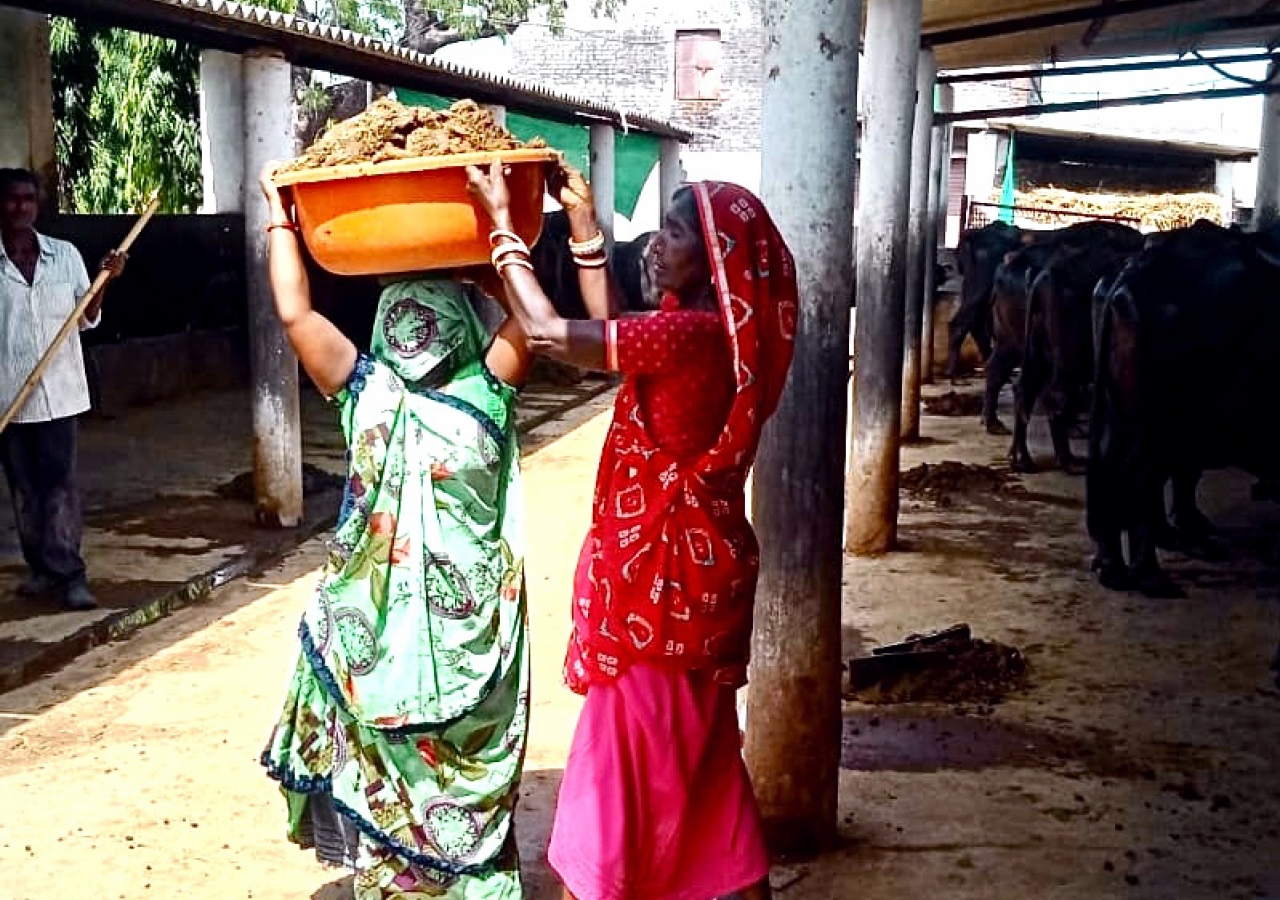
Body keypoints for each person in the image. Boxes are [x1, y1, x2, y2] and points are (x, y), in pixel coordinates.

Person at [467, 161, 798, 900]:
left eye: (675, 232)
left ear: (714, 261)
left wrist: (501, 232)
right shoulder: (708, 332)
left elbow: (559, 335)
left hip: (657, 591)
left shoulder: (688, 335)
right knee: (706, 767)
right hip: (695, 580)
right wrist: (583, 223)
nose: (654, 243)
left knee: (621, 765)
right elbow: (612, 330)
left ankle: (604, 884)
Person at [256, 159, 542, 899]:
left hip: (378, 638)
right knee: (466, 770)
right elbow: (533, 319)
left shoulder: (365, 394)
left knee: (390, 768)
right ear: (461, 324)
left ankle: (399, 882)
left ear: (387, 330)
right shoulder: (489, 389)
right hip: (476, 631)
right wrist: (503, 230)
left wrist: (281, 213)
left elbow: (295, 314)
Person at [0, 167, 126, 611]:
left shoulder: (65, 255)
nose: (20, 207)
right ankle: (40, 570)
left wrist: (104, 281)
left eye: (28, 199)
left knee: (60, 488)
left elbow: (87, 316)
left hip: (60, 393)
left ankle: (70, 573)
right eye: (12, 199)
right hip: (9, 399)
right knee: (24, 490)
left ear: (38, 205)